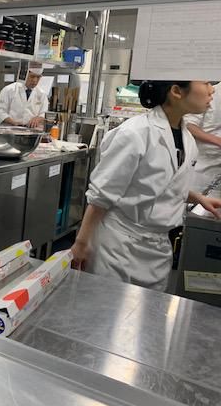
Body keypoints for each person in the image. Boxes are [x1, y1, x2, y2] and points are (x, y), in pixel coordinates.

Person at [71, 80, 221, 292]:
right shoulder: (135, 133)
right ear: (176, 91)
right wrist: (81, 243)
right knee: (105, 308)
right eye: (205, 83)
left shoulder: (186, 138)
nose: (212, 89)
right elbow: (102, 196)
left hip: (158, 250)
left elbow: (162, 182)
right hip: (119, 244)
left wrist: (199, 198)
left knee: (148, 310)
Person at [185, 83, 221, 191]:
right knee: (201, 198)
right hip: (206, 165)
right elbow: (189, 125)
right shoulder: (210, 93)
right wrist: (217, 141)